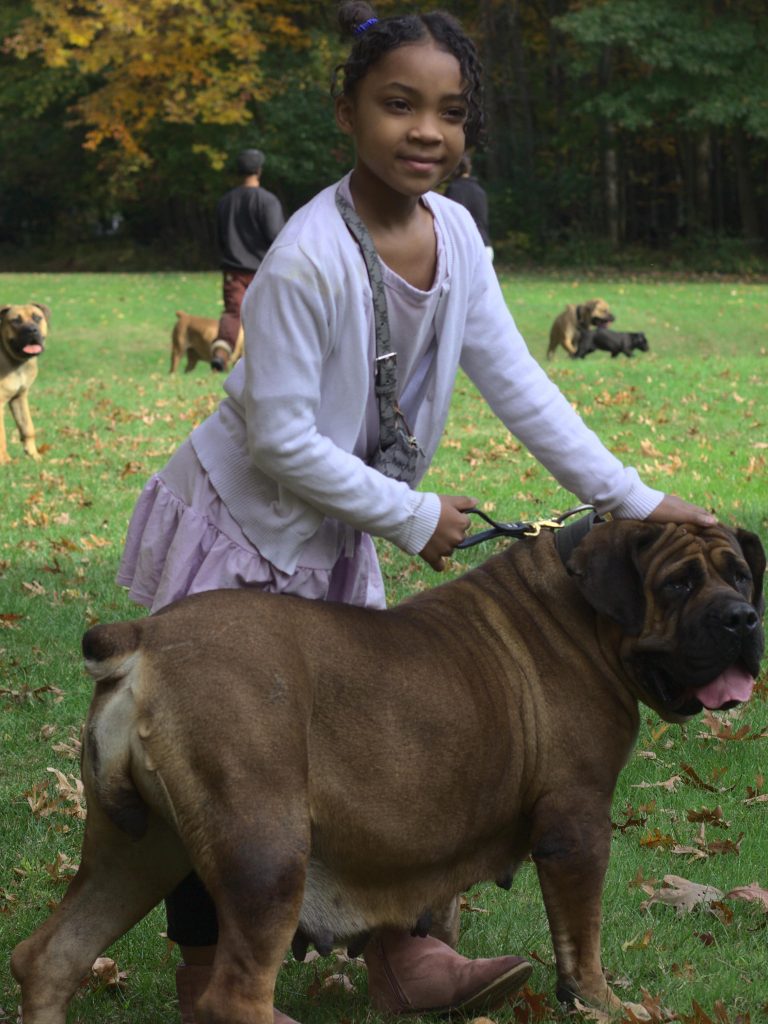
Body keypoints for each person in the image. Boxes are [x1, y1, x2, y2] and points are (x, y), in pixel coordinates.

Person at [117, 3, 716, 1022]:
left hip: (344, 523)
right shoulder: (304, 257)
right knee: (222, 743)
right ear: (348, 110)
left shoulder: (458, 237)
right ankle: (209, 972)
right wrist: (412, 512)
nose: (425, 131)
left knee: (389, 737)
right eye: (399, 105)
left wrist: (640, 499)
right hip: (245, 523)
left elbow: (523, 385)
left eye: (449, 112)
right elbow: (280, 440)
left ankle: (407, 955)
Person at [211, 147, 285, 371]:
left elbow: (220, 237)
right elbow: (278, 237)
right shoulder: (268, 201)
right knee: (267, 315)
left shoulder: (225, 202)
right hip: (263, 271)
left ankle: (221, 353)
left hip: (233, 271)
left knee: (234, 313)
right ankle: (268, 362)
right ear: (259, 170)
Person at [445, 152, 493, 261]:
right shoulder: (480, 190)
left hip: (464, 248)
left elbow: (450, 222)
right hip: (485, 246)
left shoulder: (454, 189)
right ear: (469, 168)